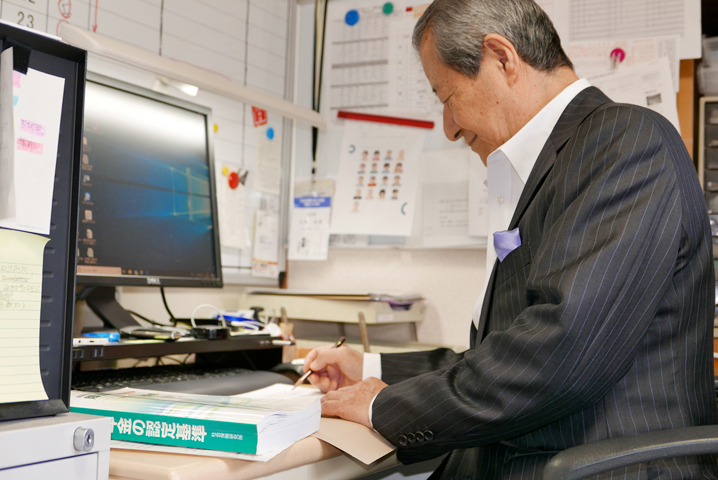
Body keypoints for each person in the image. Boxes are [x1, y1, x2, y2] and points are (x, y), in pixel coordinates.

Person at [303, 1, 718, 479]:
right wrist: (371, 366)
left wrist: (383, 407)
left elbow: (559, 352)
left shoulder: (626, 143)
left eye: (446, 97)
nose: (450, 127)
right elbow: (501, 353)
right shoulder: (562, 163)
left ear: (501, 57)